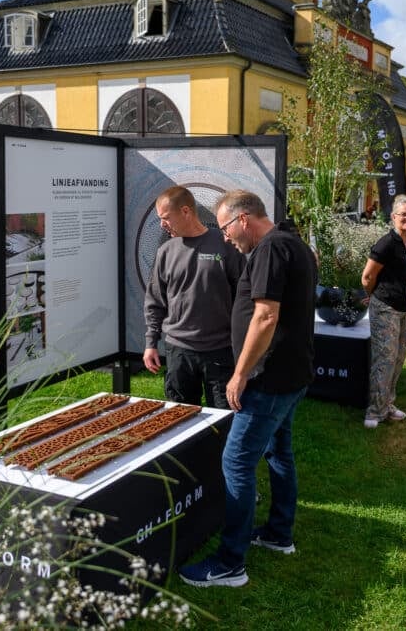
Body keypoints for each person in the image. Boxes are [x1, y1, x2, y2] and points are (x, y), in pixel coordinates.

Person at [179, 190, 318, 588]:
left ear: (243, 219)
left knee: (236, 462)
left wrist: (240, 374)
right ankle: (278, 533)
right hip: (290, 375)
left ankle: (230, 563)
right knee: (278, 451)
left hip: (268, 379)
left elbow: (265, 315)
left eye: (225, 228)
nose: (224, 238)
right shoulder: (293, 243)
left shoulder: (272, 249)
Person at [143, 186, 245, 408]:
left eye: (166, 217)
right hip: (179, 351)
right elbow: (155, 301)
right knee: (180, 416)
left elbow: (243, 299)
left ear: (186, 211)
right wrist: (151, 343)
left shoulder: (225, 244)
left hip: (220, 350)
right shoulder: (166, 251)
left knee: (223, 418)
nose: (162, 224)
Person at [360, 194, 406, 429]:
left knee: (398, 358)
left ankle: (387, 404)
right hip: (387, 308)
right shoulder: (386, 244)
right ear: (394, 217)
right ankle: (374, 411)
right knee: (384, 359)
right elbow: (367, 277)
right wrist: (374, 295)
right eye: (403, 214)